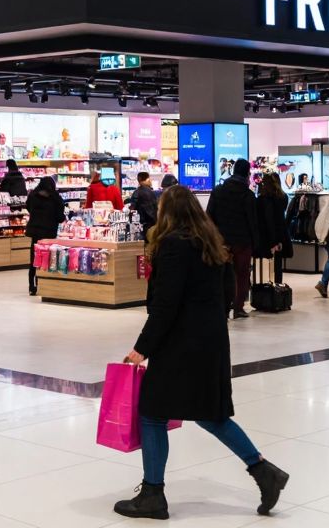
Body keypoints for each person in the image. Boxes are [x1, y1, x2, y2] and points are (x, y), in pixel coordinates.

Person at [115, 186, 289, 519]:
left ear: (168, 212)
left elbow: (165, 306)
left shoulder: (171, 246)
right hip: (210, 342)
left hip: (180, 345)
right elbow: (228, 295)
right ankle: (263, 471)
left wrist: (142, 348)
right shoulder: (212, 245)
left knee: (152, 413)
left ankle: (153, 494)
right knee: (210, 413)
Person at [206, 159, 260, 319]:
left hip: (221, 241)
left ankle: (221, 306)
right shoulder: (248, 195)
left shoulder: (218, 191)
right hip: (242, 242)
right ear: (247, 173)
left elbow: (209, 215)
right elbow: (253, 222)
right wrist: (256, 243)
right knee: (242, 274)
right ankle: (238, 307)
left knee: (220, 274)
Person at [24, 176, 65, 295]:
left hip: (35, 232)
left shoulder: (33, 195)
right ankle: (43, 283)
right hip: (49, 233)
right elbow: (60, 217)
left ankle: (32, 285)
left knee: (34, 258)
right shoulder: (55, 198)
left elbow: (28, 208)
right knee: (47, 258)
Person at [253, 170, 292, 284]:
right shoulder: (282, 198)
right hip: (279, 234)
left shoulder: (261, 200)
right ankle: (278, 285)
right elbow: (279, 219)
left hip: (264, 235)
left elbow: (265, 219)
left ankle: (261, 287)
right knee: (278, 264)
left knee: (260, 261)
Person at [131, 172, 159, 236]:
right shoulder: (152, 193)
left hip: (140, 226)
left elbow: (132, 208)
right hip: (151, 225)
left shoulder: (136, 192)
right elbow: (153, 210)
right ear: (147, 179)